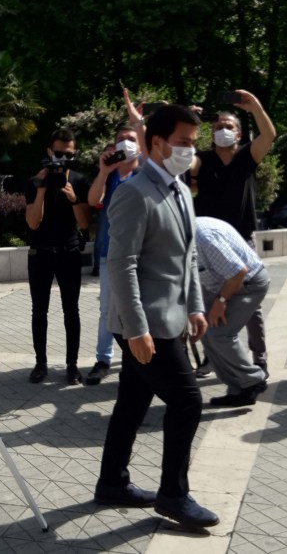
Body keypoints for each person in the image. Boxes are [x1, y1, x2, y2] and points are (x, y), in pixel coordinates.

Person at [95, 104, 218, 529]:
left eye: (193, 143)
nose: (190, 150)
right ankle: (173, 495)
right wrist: (136, 329)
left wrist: (195, 305)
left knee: (132, 402)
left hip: (170, 317)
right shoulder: (134, 192)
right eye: (183, 142)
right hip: (144, 325)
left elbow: (188, 256)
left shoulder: (180, 189)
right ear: (158, 142)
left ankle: (112, 482)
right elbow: (121, 264)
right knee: (187, 401)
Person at [188, 89, 276, 372]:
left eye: (228, 126)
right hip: (208, 243)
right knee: (209, 299)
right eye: (217, 127)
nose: (222, 130)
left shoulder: (245, 157)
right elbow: (183, 159)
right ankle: (214, 357)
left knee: (250, 304)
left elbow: (268, 135)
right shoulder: (202, 159)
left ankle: (259, 357)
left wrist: (255, 107)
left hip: (241, 240)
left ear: (238, 134)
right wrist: (189, 121)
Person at [24, 128, 91, 384]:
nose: (63, 159)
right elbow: (33, 223)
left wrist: (74, 199)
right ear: (49, 152)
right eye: (59, 153)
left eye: (69, 154)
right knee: (38, 310)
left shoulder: (80, 181)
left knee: (71, 310)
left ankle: (72, 365)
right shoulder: (34, 181)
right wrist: (41, 190)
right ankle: (40, 363)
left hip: (69, 253)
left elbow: (84, 224)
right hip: (40, 253)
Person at [86, 119, 142, 385]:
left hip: (142, 255)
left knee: (141, 308)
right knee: (108, 309)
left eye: (131, 139)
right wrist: (103, 172)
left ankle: (141, 358)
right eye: (121, 139)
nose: (126, 143)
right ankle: (103, 359)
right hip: (111, 254)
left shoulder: (145, 175)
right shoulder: (109, 176)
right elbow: (92, 200)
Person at [195, 216, 271, 407]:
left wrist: (221, 302)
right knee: (207, 331)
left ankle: (253, 380)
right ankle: (240, 389)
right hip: (223, 284)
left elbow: (238, 272)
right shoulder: (183, 236)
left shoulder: (204, 238)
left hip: (248, 284)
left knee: (220, 333)